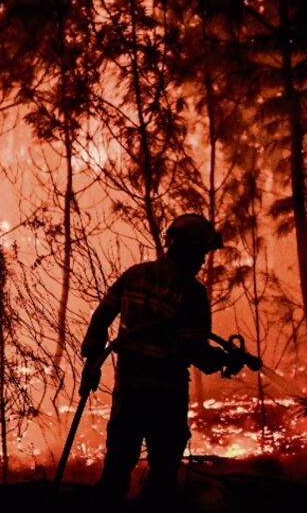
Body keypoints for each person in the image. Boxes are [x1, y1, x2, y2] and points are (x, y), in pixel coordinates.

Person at [80, 214, 236, 506]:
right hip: (166, 394)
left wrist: (91, 363)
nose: (203, 260)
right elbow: (196, 352)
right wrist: (226, 361)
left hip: (128, 388)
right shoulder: (192, 293)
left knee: (117, 465)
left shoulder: (134, 275)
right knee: (163, 474)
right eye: (201, 252)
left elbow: (101, 318)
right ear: (187, 249)